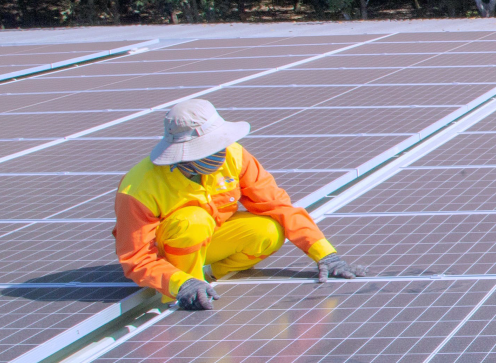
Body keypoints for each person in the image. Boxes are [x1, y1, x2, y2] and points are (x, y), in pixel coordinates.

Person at [114, 99, 368, 311]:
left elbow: (277, 205)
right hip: (166, 259)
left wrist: (327, 255)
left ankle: (210, 275)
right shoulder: (139, 188)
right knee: (192, 220)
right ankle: (186, 290)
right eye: (210, 148)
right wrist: (180, 283)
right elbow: (137, 258)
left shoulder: (235, 156)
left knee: (268, 231)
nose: (220, 152)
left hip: (210, 240)